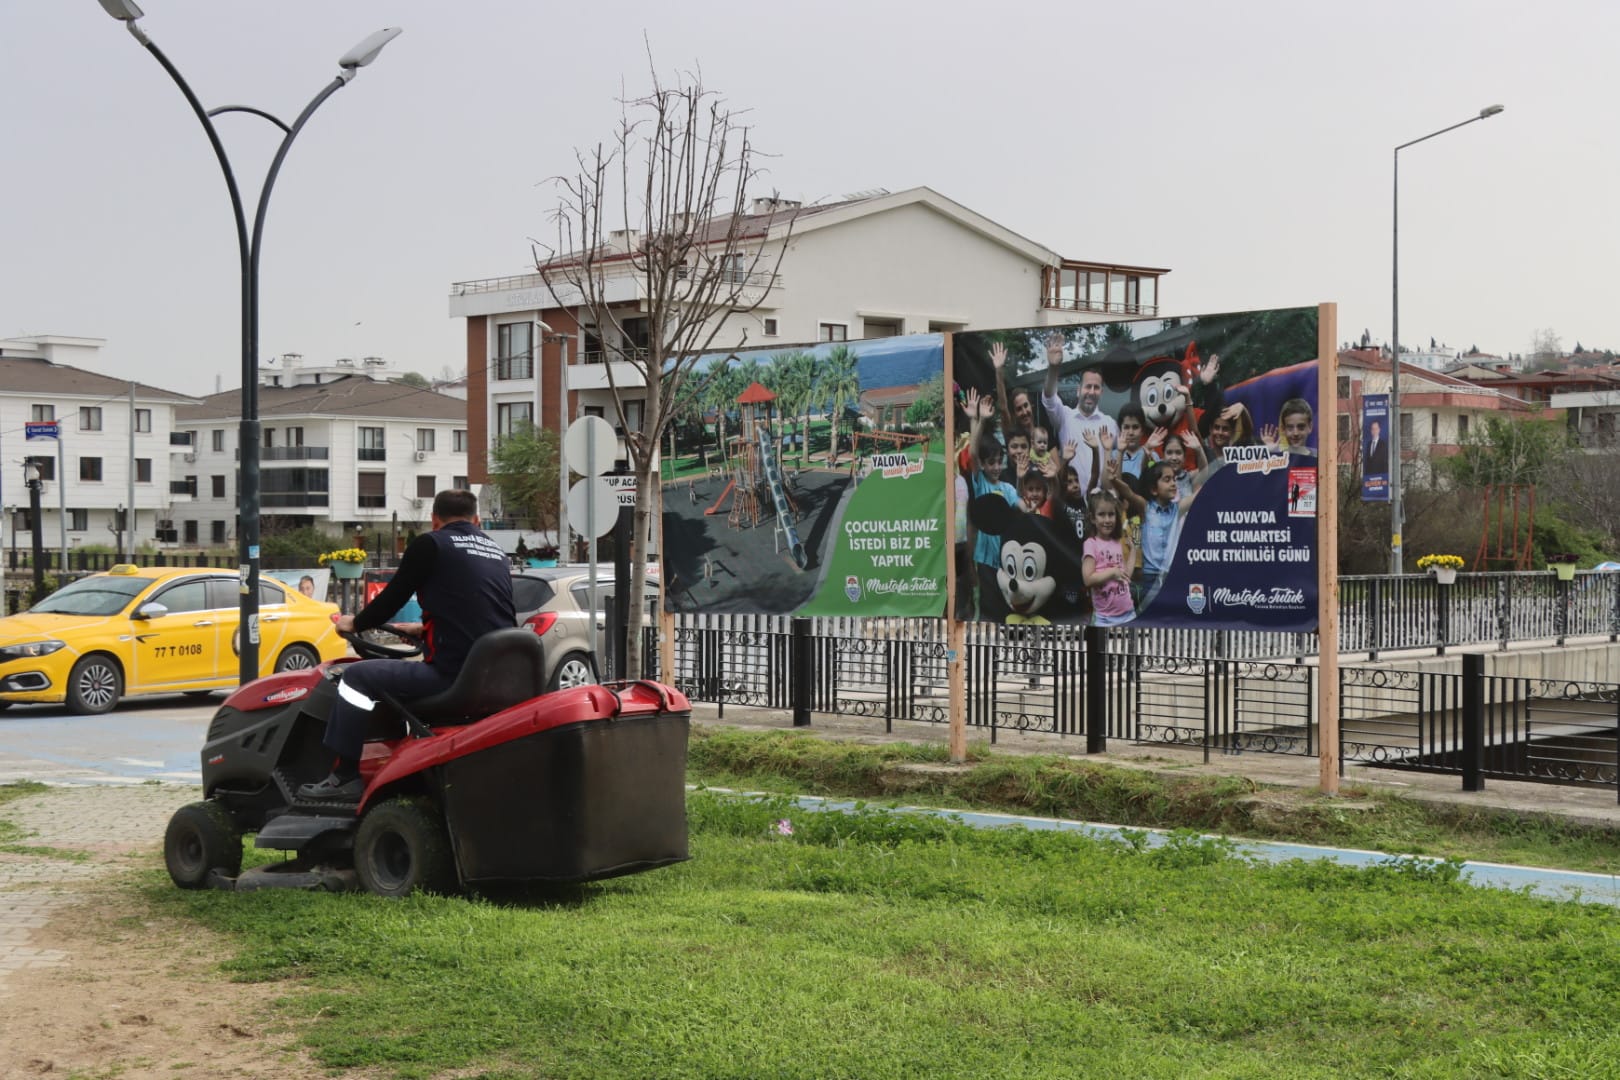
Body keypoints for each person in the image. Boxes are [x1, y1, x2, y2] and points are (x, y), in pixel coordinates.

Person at [298, 489, 516, 800]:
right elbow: (482, 614)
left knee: (355, 679)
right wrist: (423, 628)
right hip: (495, 677)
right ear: (477, 520)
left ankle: (344, 776)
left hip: (451, 678)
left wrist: (354, 623)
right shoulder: (496, 552)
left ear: (434, 520)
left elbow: (391, 600)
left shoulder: (432, 543)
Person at [1040, 332, 1117, 494]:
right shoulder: (1065, 416)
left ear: (1101, 392)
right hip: (1071, 501)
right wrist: (1054, 367)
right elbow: (1048, 398)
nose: (1091, 391)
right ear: (1078, 390)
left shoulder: (1110, 423)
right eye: (1088, 386)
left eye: (1096, 388)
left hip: (1101, 506)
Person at [1082, 491, 1135, 627]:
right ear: (1093, 518)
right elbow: (1088, 579)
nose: (1107, 520)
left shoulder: (1117, 542)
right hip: (1105, 619)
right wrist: (1112, 572)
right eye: (1101, 514)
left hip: (1128, 613)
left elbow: (1125, 576)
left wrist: (1133, 551)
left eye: (1111, 514)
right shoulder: (1091, 543)